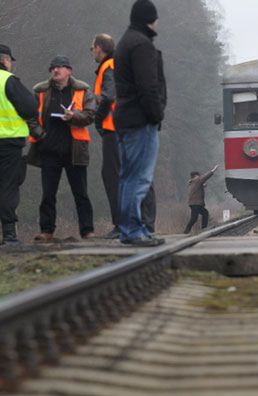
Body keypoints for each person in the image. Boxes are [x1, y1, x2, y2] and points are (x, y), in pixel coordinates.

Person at [91, 33, 156, 240]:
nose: (92, 51)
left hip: (115, 127)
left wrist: (98, 119)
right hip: (133, 125)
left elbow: (109, 96)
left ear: (99, 48)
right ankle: (145, 222)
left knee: (113, 175)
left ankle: (122, 223)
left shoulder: (109, 66)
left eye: (92, 48)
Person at [114, 0, 166, 246]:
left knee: (128, 176)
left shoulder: (125, 41)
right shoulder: (141, 45)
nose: (158, 23)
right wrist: (156, 115)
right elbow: (148, 86)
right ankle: (134, 230)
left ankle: (128, 229)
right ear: (149, 19)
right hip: (140, 120)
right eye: (155, 18)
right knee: (140, 178)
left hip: (125, 118)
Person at [28, 56, 95, 241]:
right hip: (48, 150)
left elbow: (90, 115)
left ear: (69, 71)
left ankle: (88, 231)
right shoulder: (40, 91)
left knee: (80, 193)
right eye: (52, 68)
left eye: (59, 67)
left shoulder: (82, 90)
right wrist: (40, 134)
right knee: (48, 194)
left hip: (74, 150)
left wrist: (73, 116)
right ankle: (46, 231)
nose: (55, 70)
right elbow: (31, 116)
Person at [0, 45, 37, 245]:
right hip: (8, 144)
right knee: (7, 186)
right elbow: (30, 107)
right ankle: (9, 235)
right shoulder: (8, 80)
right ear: (5, 60)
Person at [184, 165, 217, 234]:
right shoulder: (196, 180)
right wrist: (213, 170)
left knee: (204, 213)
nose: (199, 176)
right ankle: (187, 231)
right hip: (196, 203)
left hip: (194, 203)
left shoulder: (193, 181)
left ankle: (203, 229)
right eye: (198, 175)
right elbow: (205, 177)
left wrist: (203, 185)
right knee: (194, 218)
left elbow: (197, 186)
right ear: (195, 176)